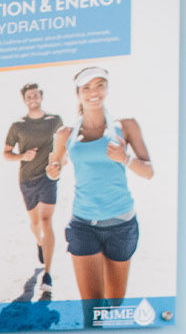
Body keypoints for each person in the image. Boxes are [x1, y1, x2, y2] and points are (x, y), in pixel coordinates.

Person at [45, 66, 154, 306]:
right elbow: (57, 166)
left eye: (99, 85)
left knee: (114, 307)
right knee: (91, 310)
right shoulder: (66, 134)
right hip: (83, 225)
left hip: (121, 225)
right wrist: (53, 171)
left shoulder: (125, 126)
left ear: (106, 89)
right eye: (87, 87)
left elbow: (148, 172)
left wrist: (125, 159)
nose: (94, 92)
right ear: (78, 94)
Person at [3, 82, 63, 302]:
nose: (33, 98)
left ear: (41, 96)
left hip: (48, 177)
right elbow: (6, 153)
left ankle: (47, 275)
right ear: (24, 99)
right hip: (27, 180)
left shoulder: (54, 121)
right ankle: (39, 243)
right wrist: (22, 156)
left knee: (46, 221)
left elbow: (62, 147)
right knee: (35, 224)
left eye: (36, 95)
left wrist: (58, 165)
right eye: (29, 96)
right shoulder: (17, 126)